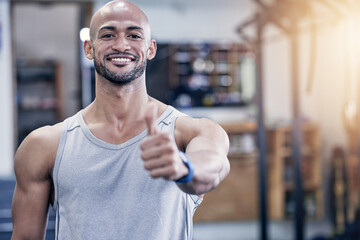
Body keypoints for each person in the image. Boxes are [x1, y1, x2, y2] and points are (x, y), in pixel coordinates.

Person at [11, 1, 230, 239]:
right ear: (88, 48)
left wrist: (183, 167)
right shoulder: (44, 145)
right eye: (108, 34)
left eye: (134, 35)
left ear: (150, 49)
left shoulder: (191, 132)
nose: (121, 45)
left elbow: (213, 168)